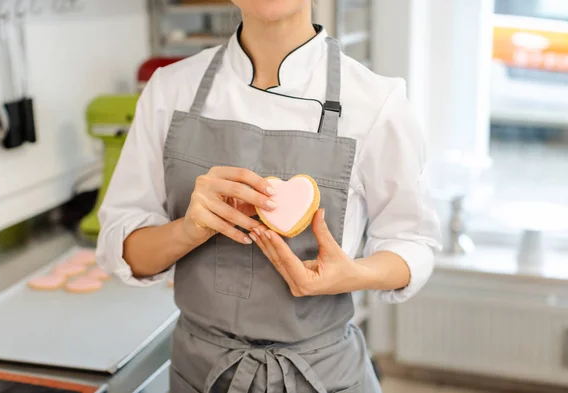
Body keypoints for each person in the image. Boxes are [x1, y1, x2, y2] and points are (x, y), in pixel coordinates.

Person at [97, 0, 442, 391]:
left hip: (322, 377)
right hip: (200, 375)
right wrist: (188, 230)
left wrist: (353, 274)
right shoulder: (170, 90)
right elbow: (122, 248)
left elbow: (413, 241)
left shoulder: (378, 103)